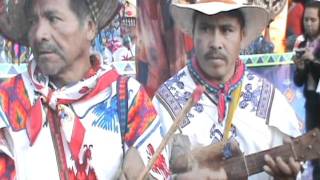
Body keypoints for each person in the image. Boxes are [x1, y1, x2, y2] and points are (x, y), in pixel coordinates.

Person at [0, 0, 170, 179]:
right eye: (32, 22)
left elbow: (156, 170)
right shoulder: (7, 102)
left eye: (53, 19)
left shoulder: (127, 98)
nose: (39, 34)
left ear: (89, 27)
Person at [153, 0, 302, 179]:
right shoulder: (165, 103)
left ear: (242, 35)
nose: (216, 43)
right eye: (206, 29)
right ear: (193, 33)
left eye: (226, 30)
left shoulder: (272, 105)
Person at [293, 1, 320, 179]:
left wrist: (315, 60)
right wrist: (301, 66)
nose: (308, 23)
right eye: (306, 19)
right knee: (313, 151)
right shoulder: (301, 42)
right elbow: (298, 81)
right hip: (311, 103)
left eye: (313, 20)